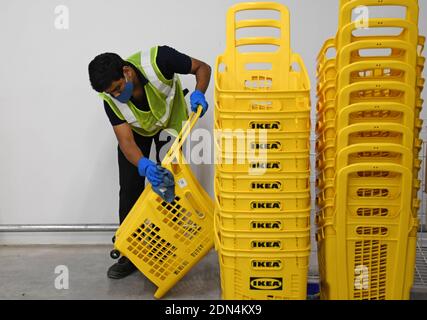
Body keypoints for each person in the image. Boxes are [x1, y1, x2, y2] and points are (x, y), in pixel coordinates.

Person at [88, 45, 211, 279]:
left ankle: (167, 249)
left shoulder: (159, 60)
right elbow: (125, 141)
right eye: (110, 92)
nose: (115, 95)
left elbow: (202, 68)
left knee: (169, 185)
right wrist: (144, 165)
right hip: (138, 134)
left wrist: (199, 92)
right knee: (130, 190)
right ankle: (130, 253)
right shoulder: (109, 98)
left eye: (117, 88)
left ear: (127, 71)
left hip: (170, 124)